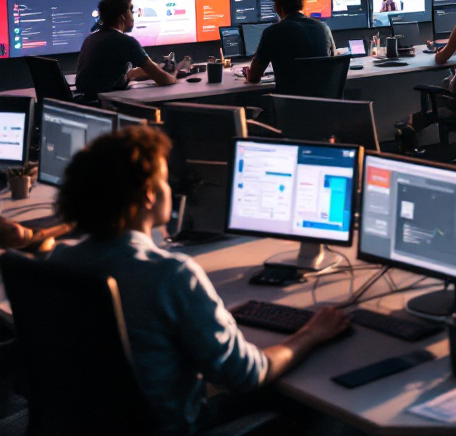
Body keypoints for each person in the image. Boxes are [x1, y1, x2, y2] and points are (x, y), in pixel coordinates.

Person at [51, 127, 350, 436]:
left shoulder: (62, 261)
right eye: (164, 180)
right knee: (324, 409)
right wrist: (311, 334)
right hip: (177, 426)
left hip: (96, 424)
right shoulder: (169, 274)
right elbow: (247, 375)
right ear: (149, 195)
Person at [75, 0, 181, 97]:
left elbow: (103, 75)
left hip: (87, 102)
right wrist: (173, 75)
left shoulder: (90, 39)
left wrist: (139, 73)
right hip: (107, 104)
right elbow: (164, 80)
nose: (133, 16)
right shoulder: (125, 41)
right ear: (122, 17)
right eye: (131, 10)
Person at [243, 0, 335, 84]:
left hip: (291, 98)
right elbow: (335, 61)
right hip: (323, 96)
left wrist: (248, 72)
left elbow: (254, 78)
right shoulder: (323, 28)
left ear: (278, 7)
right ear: (301, 4)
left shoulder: (273, 32)